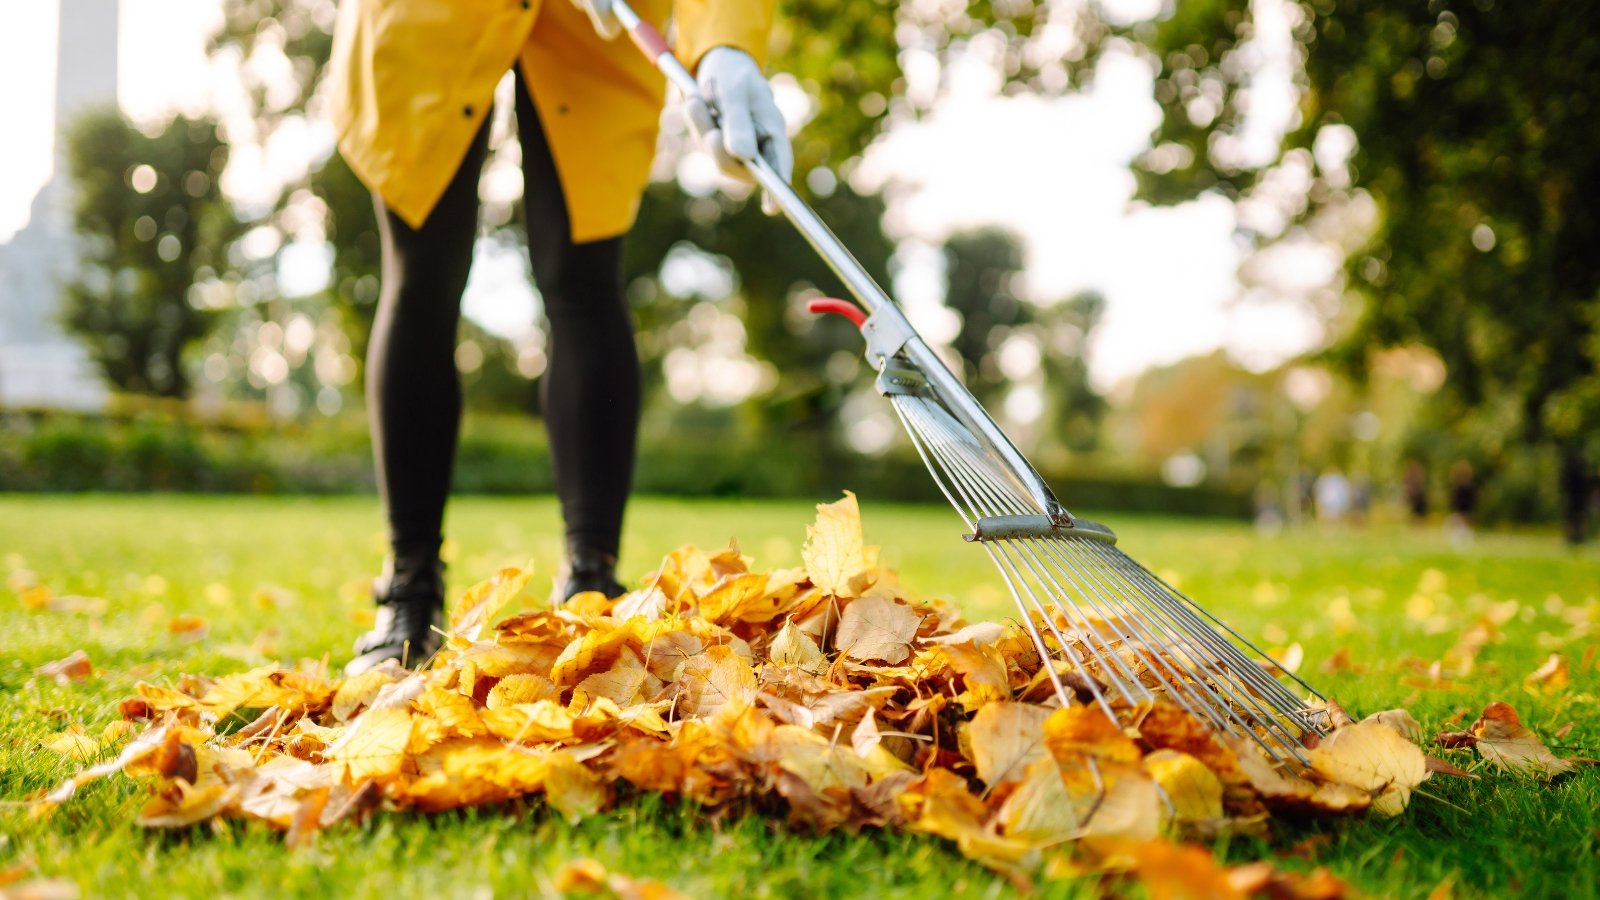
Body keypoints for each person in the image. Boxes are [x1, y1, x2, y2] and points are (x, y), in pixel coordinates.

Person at [327, 0, 792, 674]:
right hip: (426, 20)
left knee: (585, 280)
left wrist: (727, 45)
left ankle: (592, 582)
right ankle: (409, 588)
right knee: (421, 276)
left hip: (598, 28)